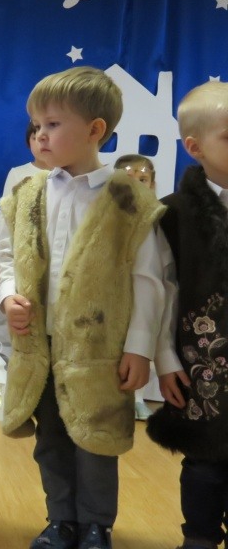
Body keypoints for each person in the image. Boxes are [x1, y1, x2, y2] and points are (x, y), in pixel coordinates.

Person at [0, 66, 169, 549]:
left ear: (95, 130)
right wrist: (8, 296)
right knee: (50, 437)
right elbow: (7, 256)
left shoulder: (129, 200)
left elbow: (148, 280)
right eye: (37, 125)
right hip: (41, 344)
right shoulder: (27, 193)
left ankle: (96, 524)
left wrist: (139, 348)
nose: (40, 135)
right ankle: (61, 519)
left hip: (99, 350)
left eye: (53, 124)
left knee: (96, 438)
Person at [147, 81, 228, 549]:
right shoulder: (173, 215)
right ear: (195, 148)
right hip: (203, 365)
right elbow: (161, 291)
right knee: (204, 461)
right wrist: (164, 358)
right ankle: (199, 536)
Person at [113, 153, 160, 421]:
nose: (136, 183)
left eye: (143, 179)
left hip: (145, 289)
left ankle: (139, 397)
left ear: (152, 184)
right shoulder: (108, 214)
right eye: (129, 177)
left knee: (142, 342)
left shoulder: (158, 216)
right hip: (116, 291)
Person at [2, 119, 50, 199]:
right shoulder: (17, 174)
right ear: (28, 142)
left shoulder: (68, 173)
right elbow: (7, 206)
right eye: (35, 138)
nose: (42, 144)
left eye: (47, 138)